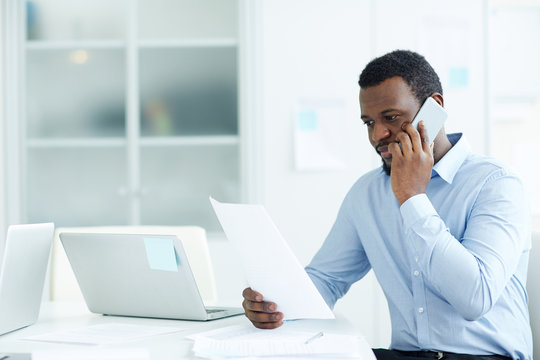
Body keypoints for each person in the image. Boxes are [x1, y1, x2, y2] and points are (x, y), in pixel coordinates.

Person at [241, 50, 532, 360]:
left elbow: (475, 298)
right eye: (369, 122)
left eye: (391, 118)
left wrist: (412, 198)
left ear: (433, 109)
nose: (378, 135)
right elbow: (327, 280)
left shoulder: (496, 184)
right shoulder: (367, 193)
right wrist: (274, 304)